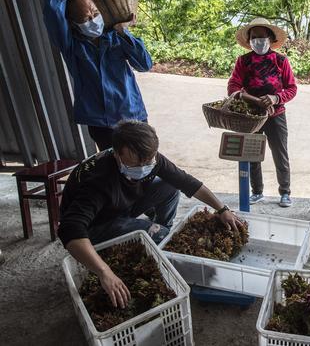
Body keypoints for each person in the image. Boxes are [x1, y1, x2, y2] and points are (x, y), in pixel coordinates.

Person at [58, 120, 243, 309]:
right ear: (116, 154)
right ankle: (155, 240)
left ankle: (161, 234)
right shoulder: (98, 180)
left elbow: (186, 181)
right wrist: (104, 271)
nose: (144, 166)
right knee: (160, 236)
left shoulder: (150, 159)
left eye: (148, 161)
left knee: (170, 186)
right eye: (137, 163)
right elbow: (69, 229)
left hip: (120, 206)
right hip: (96, 225)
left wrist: (222, 209)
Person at [42, 0, 152, 151]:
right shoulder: (72, 45)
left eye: (95, 13)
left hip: (133, 114)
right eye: (86, 18)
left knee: (143, 163)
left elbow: (145, 64)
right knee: (113, 169)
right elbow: (50, 6)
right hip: (100, 123)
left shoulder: (116, 37)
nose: (93, 20)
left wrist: (124, 32)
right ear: (74, 24)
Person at [228, 18, 297, 207]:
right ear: (249, 40)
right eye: (254, 37)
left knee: (280, 153)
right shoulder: (244, 61)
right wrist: (252, 99)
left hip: (276, 115)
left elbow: (291, 88)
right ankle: (257, 191)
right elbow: (233, 87)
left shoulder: (281, 61)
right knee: (252, 154)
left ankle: (285, 192)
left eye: (262, 37)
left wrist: (275, 98)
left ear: (270, 38)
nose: (258, 40)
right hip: (250, 117)